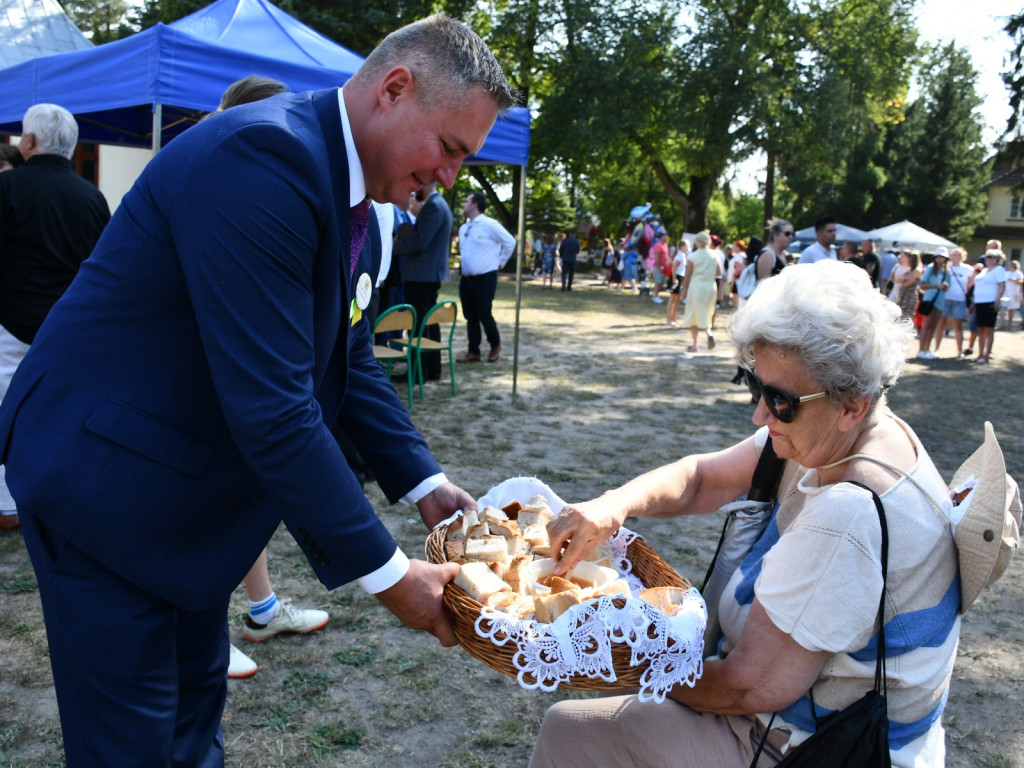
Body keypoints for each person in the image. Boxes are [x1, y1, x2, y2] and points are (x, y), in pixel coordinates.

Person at [0, 15, 514, 766]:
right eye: (450, 148)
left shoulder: (352, 198)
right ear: (394, 89)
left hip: (183, 499)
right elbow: (274, 408)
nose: (450, 178)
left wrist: (423, 482)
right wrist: (395, 578)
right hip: (107, 486)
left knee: (190, 719)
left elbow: (347, 356)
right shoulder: (263, 156)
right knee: (133, 745)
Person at [530, 260, 960, 768]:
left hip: (814, 747)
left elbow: (747, 688)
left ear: (852, 403)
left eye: (779, 400)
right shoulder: (852, 434)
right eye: (757, 386)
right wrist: (612, 506)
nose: (759, 414)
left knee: (570, 732)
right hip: (821, 727)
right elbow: (701, 478)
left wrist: (616, 664)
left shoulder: (849, 511)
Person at [208, 75, 334, 679]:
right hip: (199, 397)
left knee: (241, 500)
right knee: (209, 505)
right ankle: (206, 629)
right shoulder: (222, 179)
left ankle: (259, 609)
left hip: (238, 390)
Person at [0, 104, 110, 534]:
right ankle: (59, 497)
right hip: (67, 328)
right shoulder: (91, 196)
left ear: (28, 142)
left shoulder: (8, 189)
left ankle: (8, 506)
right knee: (60, 415)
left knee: (7, 409)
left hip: (10, 322)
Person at [456, 190, 516, 363]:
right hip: (467, 279)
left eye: (466, 200)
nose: (464, 204)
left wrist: (501, 261)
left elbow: (510, 241)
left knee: (484, 313)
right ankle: (473, 351)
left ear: (475, 204)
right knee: (470, 316)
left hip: (485, 278)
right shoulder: (464, 228)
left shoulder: (490, 224)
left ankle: (495, 345)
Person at [680, 230, 721, 353]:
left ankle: (695, 344)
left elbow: (687, 275)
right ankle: (708, 332)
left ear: (697, 242)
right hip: (710, 286)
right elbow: (719, 272)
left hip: (697, 287)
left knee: (694, 313)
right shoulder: (714, 255)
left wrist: (683, 289)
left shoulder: (693, 256)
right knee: (707, 312)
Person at [967, 249, 1006, 365]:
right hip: (979, 302)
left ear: (998, 259)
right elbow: (976, 287)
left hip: (990, 302)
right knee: (980, 330)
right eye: (988, 257)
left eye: (993, 257)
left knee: (989, 329)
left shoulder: (999, 270)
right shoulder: (984, 271)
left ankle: (987, 355)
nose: (989, 259)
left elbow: (1001, 286)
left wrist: (997, 302)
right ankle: (980, 355)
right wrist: (973, 303)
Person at [933, 247, 973, 358]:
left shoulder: (968, 269)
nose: (953, 257)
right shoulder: (946, 267)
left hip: (959, 300)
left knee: (958, 326)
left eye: (956, 255)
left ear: (961, 256)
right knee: (940, 324)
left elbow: (970, 285)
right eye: (952, 255)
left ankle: (959, 350)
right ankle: (936, 349)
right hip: (945, 298)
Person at [914, 248, 949, 360]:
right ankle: (921, 350)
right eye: (939, 257)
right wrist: (936, 286)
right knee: (926, 325)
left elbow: (948, 286)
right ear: (935, 258)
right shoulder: (930, 268)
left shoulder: (947, 271)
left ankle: (927, 349)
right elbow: (922, 284)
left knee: (933, 326)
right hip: (929, 300)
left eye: (943, 257)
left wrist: (945, 287)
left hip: (940, 300)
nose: (940, 259)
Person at [999, 259, 1022, 330]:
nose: (1010, 266)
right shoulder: (1007, 273)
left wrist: (1014, 280)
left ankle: (1010, 324)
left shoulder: (1018, 273)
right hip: (1006, 294)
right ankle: (1002, 324)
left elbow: (1021, 282)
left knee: (1011, 310)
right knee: (1003, 309)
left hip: (1014, 294)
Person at [650, 233, 670, 303]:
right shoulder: (658, 245)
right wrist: (659, 266)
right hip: (659, 267)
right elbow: (657, 256)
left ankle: (657, 295)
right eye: (665, 236)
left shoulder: (665, 245)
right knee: (658, 282)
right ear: (661, 237)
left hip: (665, 267)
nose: (666, 237)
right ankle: (655, 296)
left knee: (662, 282)